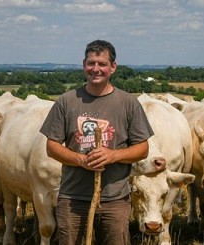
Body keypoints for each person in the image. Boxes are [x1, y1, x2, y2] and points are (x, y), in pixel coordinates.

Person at [40, 39, 153, 244]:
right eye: (91, 63)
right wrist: (80, 160)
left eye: (102, 64)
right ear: (84, 64)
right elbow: (52, 147)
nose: (96, 69)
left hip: (115, 199)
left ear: (113, 67)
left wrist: (113, 155)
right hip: (73, 198)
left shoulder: (128, 103)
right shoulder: (67, 101)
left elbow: (143, 148)